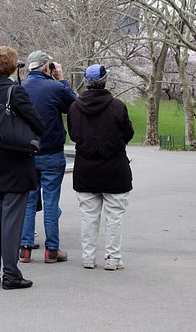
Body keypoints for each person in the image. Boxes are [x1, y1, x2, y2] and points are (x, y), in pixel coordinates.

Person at [0, 46, 45, 290]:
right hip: (15, 161)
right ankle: (11, 274)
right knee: (11, 220)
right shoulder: (16, 91)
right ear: (13, 66)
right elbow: (38, 122)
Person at [67, 64, 134, 270]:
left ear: (86, 83)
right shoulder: (117, 106)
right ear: (105, 81)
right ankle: (113, 258)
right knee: (114, 217)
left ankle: (88, 257)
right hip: (114, 168)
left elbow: (73, 135)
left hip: (86, 168)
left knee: (88, 216)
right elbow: (128, 133)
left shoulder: (75, 107)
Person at [18, 50, 76, 264]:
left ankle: (25, 248)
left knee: (29, 201)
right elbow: (75, 106)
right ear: (46, 67)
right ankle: (52, 250)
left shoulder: (20, 89)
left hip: (27, 153)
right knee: (51, 202)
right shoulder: (55, 88)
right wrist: (61, 79)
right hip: (51, 152)